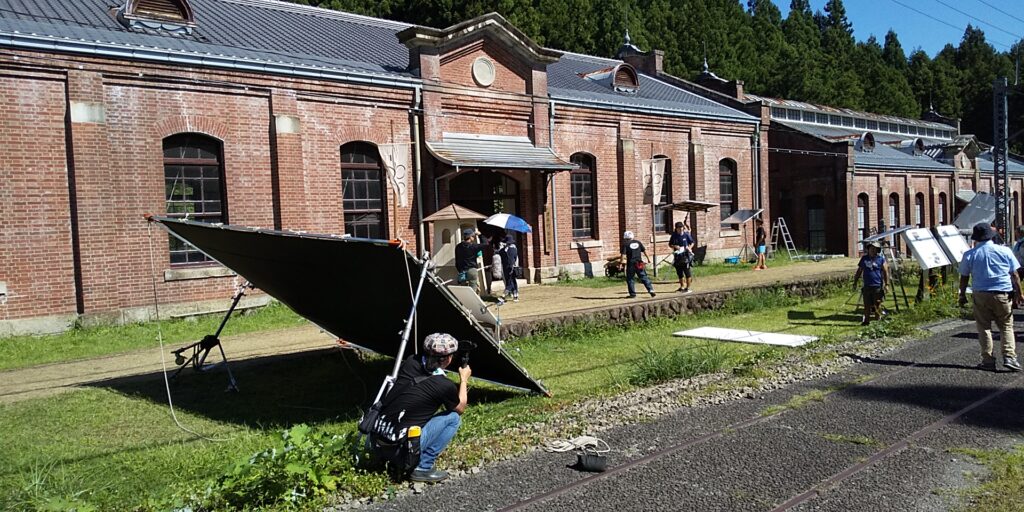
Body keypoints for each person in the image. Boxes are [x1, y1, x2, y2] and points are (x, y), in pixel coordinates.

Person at [374, 333, 471, 483]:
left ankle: (389, 461)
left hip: (377, 442)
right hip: (401, 451)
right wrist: (464, 379)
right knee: (453, 418)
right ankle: (423, 467)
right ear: (447, 359)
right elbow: (460, 407)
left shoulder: (410, 362)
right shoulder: (444, 385)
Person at [958, 223, 1023, 372]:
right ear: (991, 236)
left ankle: (988, 360)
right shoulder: (1005, 251)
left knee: (984, 327)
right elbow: (1014, 274)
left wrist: (962, 294)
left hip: (980, 293)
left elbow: (964, 277)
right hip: (1003, 292)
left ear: (976, 238)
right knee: (1006, 326)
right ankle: (1009, 357)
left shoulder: (970, 254)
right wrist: (1019, 293)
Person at [852, 241, 889, 325]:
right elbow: (859, 271)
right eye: (871, 248)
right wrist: (855, 282)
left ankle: (878, 320)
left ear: (877, 250)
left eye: (874, 249)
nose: (872, 250)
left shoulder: (881, 259)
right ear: (868, 249)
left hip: (877, 286)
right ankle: (866, 321)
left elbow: (885, 272)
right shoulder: (864, 259)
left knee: (877, 304)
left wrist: (887, 284)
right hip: (867, 286)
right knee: (867, 305)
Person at [621, 230, 655, 298]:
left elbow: (623, 255)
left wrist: (621, 263)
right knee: (643, 276)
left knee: (630, 278)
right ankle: (651, 290)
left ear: (625, 238)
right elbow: (644, 251)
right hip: (639, 263)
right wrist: (648, 259)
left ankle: (632, 294)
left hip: (631, 264)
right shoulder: (638, 242)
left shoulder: (626, 244)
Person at [454, 228, 489, 293]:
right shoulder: (473, 246)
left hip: (462, 270)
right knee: (473, 288)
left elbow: (457, 260)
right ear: (470, 237)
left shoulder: (458, 247)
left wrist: (459, 270)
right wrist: (480, 235)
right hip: (472, 270)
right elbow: (486, 244)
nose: (474, 237)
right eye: (473, 236)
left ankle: (464, 299)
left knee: (464, 289)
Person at [669, 221, 694, 293]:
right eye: (679, 228)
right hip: (677, 256)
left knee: (687, 272)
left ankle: (688, 288)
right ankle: (682, 286)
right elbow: (670, 244)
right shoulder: (674, 236)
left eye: (681, 227)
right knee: (679, 273)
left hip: (686, 256)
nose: (680, 229)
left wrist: (689, 248)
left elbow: (692, 242)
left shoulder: (686, 235)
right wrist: (675, 246)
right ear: (676, 229)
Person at [499, 234, 520, 302]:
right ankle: (515, 295)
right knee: (513, 281)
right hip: (512, 268)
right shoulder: (514, 249)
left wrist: (502, 247)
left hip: (509, 268)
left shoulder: (507, 250)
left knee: (509, 282)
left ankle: (504, 295)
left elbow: (500, 253)